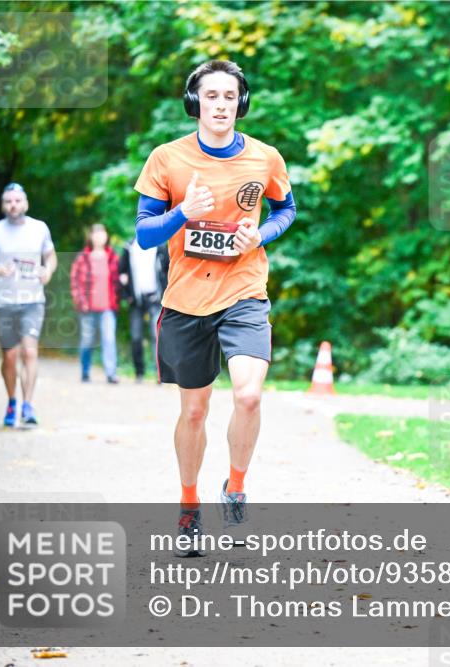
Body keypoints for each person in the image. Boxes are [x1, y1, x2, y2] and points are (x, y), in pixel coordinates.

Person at [133, 59, 296, 556]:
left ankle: (237, 485)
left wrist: (259, 236)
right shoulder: (166, 158)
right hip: (186, 300)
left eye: (230, 96)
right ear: (195, 103)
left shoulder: (265, 158)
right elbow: (143, 235)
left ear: (241, 103)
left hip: (244, 291)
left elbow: (285, 209)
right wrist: (184, 213)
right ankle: (188, 505)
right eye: (212, 96)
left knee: (248, 395)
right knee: (196, 411)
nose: (221, 105)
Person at [0, 183, 57, 428]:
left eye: (17, 201)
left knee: (30, 352)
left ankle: (28, 406)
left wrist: (48, 271)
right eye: (9, 201)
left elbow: (51, 256)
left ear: (25, 203)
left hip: (33, 300)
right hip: (5, 303)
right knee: (10, 357)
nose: (13, 205)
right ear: (3, 205)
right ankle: (12, 400)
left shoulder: (39, 228)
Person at [69, 223, 121, 383]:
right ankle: (85, 371)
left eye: (102, 233)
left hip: (108, 307)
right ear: (90, 237)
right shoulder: (82, 258)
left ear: (106, 236)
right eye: (96, 233)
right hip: (87, 307)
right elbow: (75, 282)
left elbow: (119, 280)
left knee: (109, 338)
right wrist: (80, 302)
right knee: (87, 341)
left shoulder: (113, 257)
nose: (99, 236)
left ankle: (111, 373)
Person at [118, 237, 169, 383]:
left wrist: (165, 292)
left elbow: (168, 270)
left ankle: (160, 374)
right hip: (136, 300)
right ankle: (139, 373)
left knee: (157, 336)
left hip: (156, 298)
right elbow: (121, 272)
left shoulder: (159, 246)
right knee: (136, 337)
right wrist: (127, 295)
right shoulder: (129, 247)